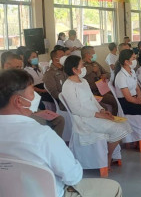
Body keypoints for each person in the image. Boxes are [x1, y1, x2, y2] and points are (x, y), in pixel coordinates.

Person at [0, 69, 123, 197]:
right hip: (51, 193)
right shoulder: (42, 135)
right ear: (19, 101)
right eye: (32, 92)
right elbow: (73, 177)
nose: (35, 96)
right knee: (114, 188)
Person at [62, 55, 132, 168]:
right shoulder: (68, 86)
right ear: (74, 70)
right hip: (85, 119)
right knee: (118, 129)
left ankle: (108, 153)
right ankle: (107, 156)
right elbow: (76, 109)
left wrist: (102, 110)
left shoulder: (83, 81)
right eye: (82, 65)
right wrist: (98, 115)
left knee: (124, 123)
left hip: (96, 114)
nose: (84, 67)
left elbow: (92, 99)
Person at [81, 46, 118, 116]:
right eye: (93, 53)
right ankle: (113, 119)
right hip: (94, 93)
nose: (95, 54)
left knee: (118, 95)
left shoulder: (95, 63)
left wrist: (105, 76)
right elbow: (81, 74)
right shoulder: (81, 66)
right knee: (114, 100)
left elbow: (107, 73)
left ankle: (118, 115)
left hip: (103, 89)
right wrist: (91, 69)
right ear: (87, 54)